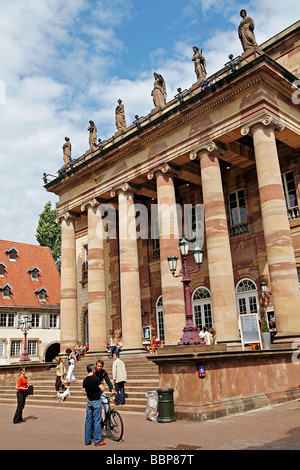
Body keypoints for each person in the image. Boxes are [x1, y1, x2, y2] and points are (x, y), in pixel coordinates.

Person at [83, 363, 106, 446]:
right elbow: (102, 388)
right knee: (97, 420)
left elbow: (84, 392)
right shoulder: (96, 379)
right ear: (93, 370)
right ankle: (97, 440)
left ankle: (87, 440)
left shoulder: (85, 380)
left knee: (88, 420)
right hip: (96, 401)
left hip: (89, 401)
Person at [95, 360, 115, 425]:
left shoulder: (103, 372)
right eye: (98, 366)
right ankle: (100, 421)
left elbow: (108, 381)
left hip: (101, 392)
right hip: (95, 392)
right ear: (96, 366)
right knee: (98, 409)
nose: (99, 368)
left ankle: (106, 422)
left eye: (100, 366)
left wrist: (112, 389)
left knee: (107, 407)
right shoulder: (93, 372)